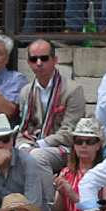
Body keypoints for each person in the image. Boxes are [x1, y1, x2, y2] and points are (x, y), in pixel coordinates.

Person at [18, 40, 84, 175]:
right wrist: (23, 146)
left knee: (37, 156)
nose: (39, 63)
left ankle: (45, 197)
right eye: (33, 59)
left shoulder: (72, 90)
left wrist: (38, 145)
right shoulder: (26, 91)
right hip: (33, 145)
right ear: (28, 62)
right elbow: (23, 129)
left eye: (44, 58)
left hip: (64, 148)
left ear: (55, 60)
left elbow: (70, 132)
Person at [54, 123, 106, 211]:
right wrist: (61, 195)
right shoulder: (66, 173)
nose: (83, 146)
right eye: (79, 141)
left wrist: (74, 196)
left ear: (98, 145)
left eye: (90, 142)